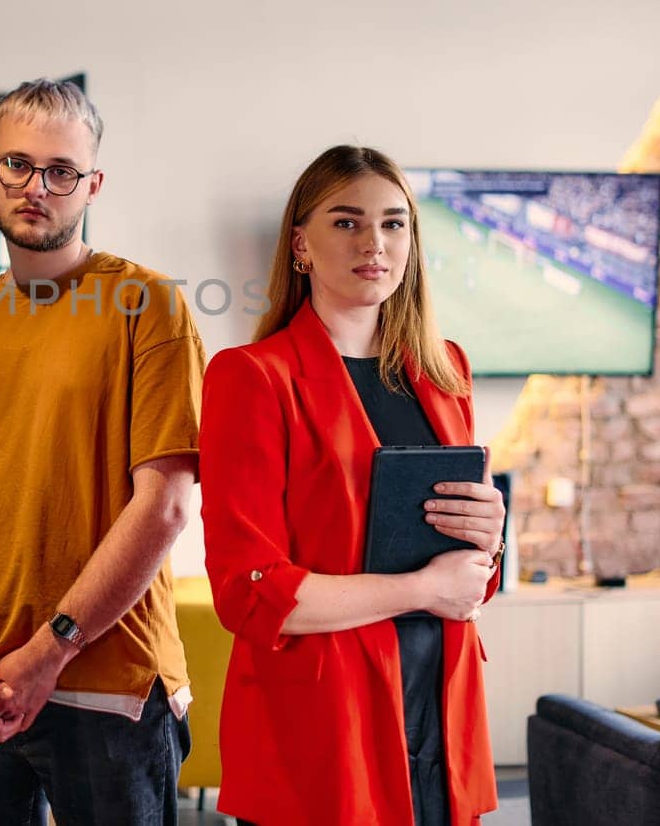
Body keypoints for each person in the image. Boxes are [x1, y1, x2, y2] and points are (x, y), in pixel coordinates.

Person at [0, 79, 202, 825]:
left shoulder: (148, 305)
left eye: (61, 171)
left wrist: (53, 646)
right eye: (18, 165)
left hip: (109, 690)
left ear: (91, 183)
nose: (38, 186)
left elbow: (164, 505)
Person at [199, 145, 507, 825]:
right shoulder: (252, 377)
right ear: (301, 245)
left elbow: (468, 577)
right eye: (347, 221)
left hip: (438, 704)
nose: (375, 241)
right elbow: (250, 593)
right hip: (323, 723)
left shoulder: (445, 370)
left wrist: (490, 537)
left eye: (394, 223)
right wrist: (424, 589)